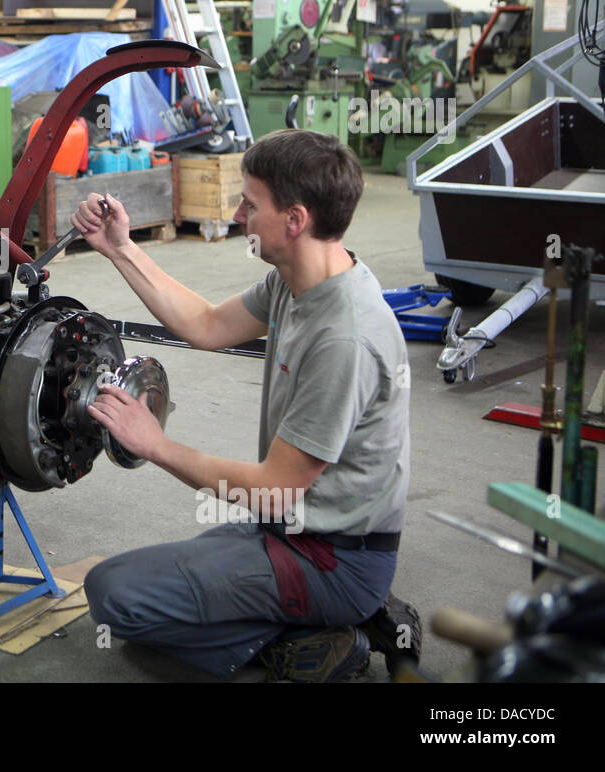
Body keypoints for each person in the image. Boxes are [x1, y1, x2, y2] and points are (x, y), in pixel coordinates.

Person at [76, 129, 419, 682]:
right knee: (162, 572)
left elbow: (272, 489)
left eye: (250, 204)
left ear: (295, 220)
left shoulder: (344, 338)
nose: (237, 215)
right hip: (294, 531)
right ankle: (335, 616)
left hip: (331, 557)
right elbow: (208, 325)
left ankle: (315, 643)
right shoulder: (300, 280)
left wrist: (156, 445)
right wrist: (120, 247)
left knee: (115, 596)